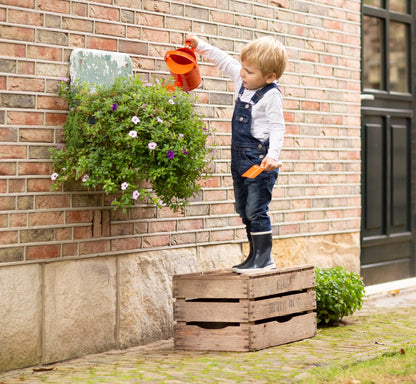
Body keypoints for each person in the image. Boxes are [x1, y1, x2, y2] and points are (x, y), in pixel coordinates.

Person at [185, 34, 287, 273]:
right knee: (243, 209)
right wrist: (199, 46)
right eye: (243, 68)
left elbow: (277, 127)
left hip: (259, 161)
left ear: (270, 76)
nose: (243, 74)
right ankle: (254, 256)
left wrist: (273, 155)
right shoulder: (241, 82)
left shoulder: (271, 95)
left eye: (250, 72)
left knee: (256, 208)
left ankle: (264, 258)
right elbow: (222, 59)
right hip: (239, 159)